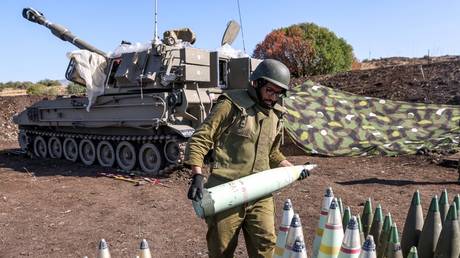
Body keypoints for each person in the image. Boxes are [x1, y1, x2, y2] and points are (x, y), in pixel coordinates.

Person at [184, 59, 308, 257]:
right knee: (221, 250)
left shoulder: (275, 115)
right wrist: (197, 175)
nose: (273, 97)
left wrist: (290, 168)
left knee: (266, 245)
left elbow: (272, 153)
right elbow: (201, 138)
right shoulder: (230, 105)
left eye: (278, 93)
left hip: (260, 192)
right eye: (270, 90)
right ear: (256, 83)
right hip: (226, 191)